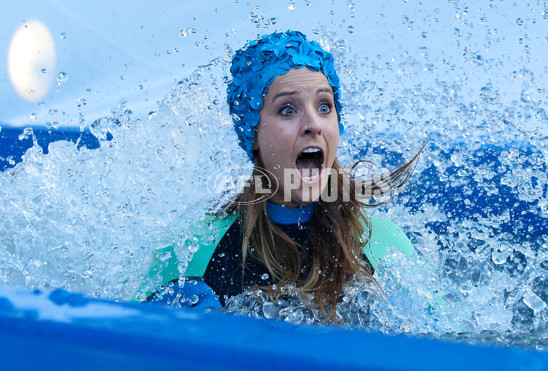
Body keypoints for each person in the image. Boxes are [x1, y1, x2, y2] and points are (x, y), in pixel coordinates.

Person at [134, 30, 422, 321]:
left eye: (324, 107)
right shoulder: (195, 253)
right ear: (253, 133)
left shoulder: (384, 247)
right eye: (288, 109)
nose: (313, 124)